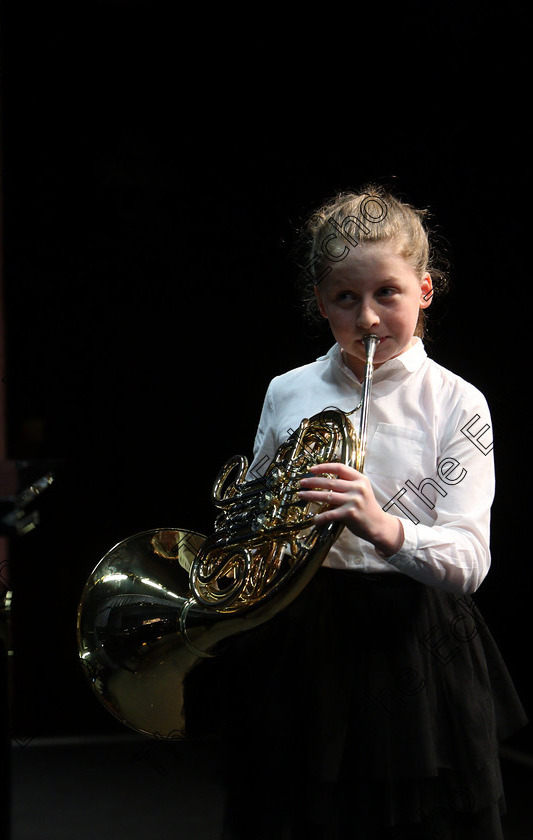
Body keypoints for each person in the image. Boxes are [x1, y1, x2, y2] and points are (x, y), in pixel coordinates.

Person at [217, 185, 527, 840]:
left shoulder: (457, 403)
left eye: (387, 292)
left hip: (414, 644)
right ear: (320, 301)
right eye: (345, 299)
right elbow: (258, 532)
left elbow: (469, 563)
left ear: (424, 290)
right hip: (304, 641)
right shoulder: (288, 391)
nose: (367, 318)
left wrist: (382, 525)